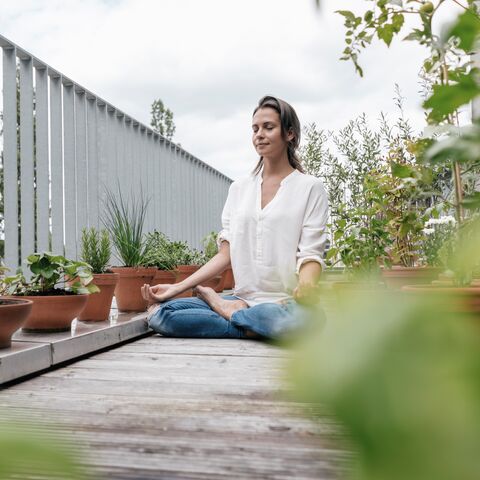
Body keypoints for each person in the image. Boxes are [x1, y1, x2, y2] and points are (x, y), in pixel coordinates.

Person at [142, 95, 329, 340]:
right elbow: (226, 254)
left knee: (308, 322)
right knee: (163, 314)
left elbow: (311, 254)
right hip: (242, 298)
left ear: (290, 134)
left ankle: (227, 311)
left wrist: (307, 284)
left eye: (268, 127)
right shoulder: (239, 188)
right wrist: (177, 288)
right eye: (255, 129)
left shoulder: (310, 187)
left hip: (283, 303)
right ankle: (249, 322)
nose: (259, 134)